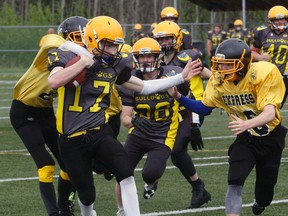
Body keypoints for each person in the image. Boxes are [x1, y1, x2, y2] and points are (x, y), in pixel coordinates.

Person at [47, 15, 202, 216]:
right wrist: (83, 63)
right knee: (87, 195)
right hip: (71, 137)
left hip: (99, 130)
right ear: (93, 41)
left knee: (125, 172)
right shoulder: (67, 54)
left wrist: (181, 77)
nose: (113, 50)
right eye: (108, 45)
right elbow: (54, 81)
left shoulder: (114, 64)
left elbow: (144, 87)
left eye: (115, 45)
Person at [168, 38, 287, 216]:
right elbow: (204, 108)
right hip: (246, 137)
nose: (220, 69)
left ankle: (261, 202)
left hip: (271, 137)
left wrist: (247, 123)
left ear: (243, 64)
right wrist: (179, 97)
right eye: (219, 64)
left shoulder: (263, 72)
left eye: (226, 64)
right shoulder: (219, 81)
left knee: (265, 193)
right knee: (234, 180)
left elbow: (270, 113)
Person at [9, 16, 89, 216]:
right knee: (45, 164)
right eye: (80, 37)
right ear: (68, 37)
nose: (85, 42)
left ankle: (65, 209)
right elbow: (51, 40)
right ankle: (53, 213)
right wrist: (85, 53)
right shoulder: (53, 50)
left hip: (45, 112)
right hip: (23, 111)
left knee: (69, 164)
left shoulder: (78, 63)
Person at [115, 37, 191, 216]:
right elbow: (125, 118)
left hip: (163, 134)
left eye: (149, 56)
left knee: (150, 173)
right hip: (138, 133)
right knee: (122, 171)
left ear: (158, 57)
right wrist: (134, 121)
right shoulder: (130, 81)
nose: (145, 60)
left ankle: (152, 182)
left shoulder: (174, 75)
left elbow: (186, 101)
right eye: (141, 57)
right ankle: (121, 210)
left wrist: (192, 124)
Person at [153, 20, 212, 209]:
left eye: (167, 39)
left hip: (190, 109)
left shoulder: (188, 57)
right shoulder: (155, 60)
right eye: (160, 40)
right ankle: (198, 188)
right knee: (171, 152)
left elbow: (212, 77)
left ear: (177, 39)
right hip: (169, 113)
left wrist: (196, 122)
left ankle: (198, 188)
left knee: (177, 150)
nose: (163, 43)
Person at [251, 5, 288, 107]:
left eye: (283, 19)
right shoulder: (263, 33)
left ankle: (274, 123)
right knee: (263, 104)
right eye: (277, 20)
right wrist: (260, 57)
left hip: (283, 74)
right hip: (265, 74)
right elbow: (251, 52)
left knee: (278, 104)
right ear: (271, 21)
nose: (281, 22)